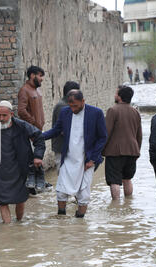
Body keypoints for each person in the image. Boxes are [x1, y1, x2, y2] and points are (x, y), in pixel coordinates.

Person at [42, 90, 107, 218]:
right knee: (61, 191)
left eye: (76, 106)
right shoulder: (65, 112)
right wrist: (39, 136)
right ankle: (61, 219)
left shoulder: (96, 113)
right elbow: (56, 130)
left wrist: (93, 159)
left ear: (83, 101)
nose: (73, 109)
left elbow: (102, 137)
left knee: (83, 194)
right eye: (71, 106)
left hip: (86, 160)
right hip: (68, 158)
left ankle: (80, 223)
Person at [0, 101, 45, 223]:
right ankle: (7, 229)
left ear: (11, 114)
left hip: (19, 169)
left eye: (4, 115)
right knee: (2, 201)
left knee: (20, 199)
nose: (1, 118)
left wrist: (38, 156)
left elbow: (39, 137)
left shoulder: (22, 126)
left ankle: (19, 222)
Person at [102, 86, 142, 200]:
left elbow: (106, 132)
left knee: (114, 181)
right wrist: (137, 150)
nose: (115, 95)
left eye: (116, 94)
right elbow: (139, 135)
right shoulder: (136, 112)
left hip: (115, 152)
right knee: (127, 178)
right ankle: (128, 203)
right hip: (132, 151)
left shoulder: (113, 110)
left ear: (119, 97)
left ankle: (116, 206)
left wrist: (100, 150)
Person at [17, 65, 46, 193]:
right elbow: (21, 111)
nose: (41, 79)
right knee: (30, 158)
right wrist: (32, 124)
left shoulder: (37, 91)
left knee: (37, 156)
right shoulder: (25, 90)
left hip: (38, 130)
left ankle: (37, 183)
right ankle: (29, 184)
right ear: (32, 75)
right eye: (40, 76)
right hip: (30, 131)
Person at [52, 81, 80, 172]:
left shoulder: (68, 105)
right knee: (63, 175)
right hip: (62, 147)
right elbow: (64, 129)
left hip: (68, 147)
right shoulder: (62, 107)